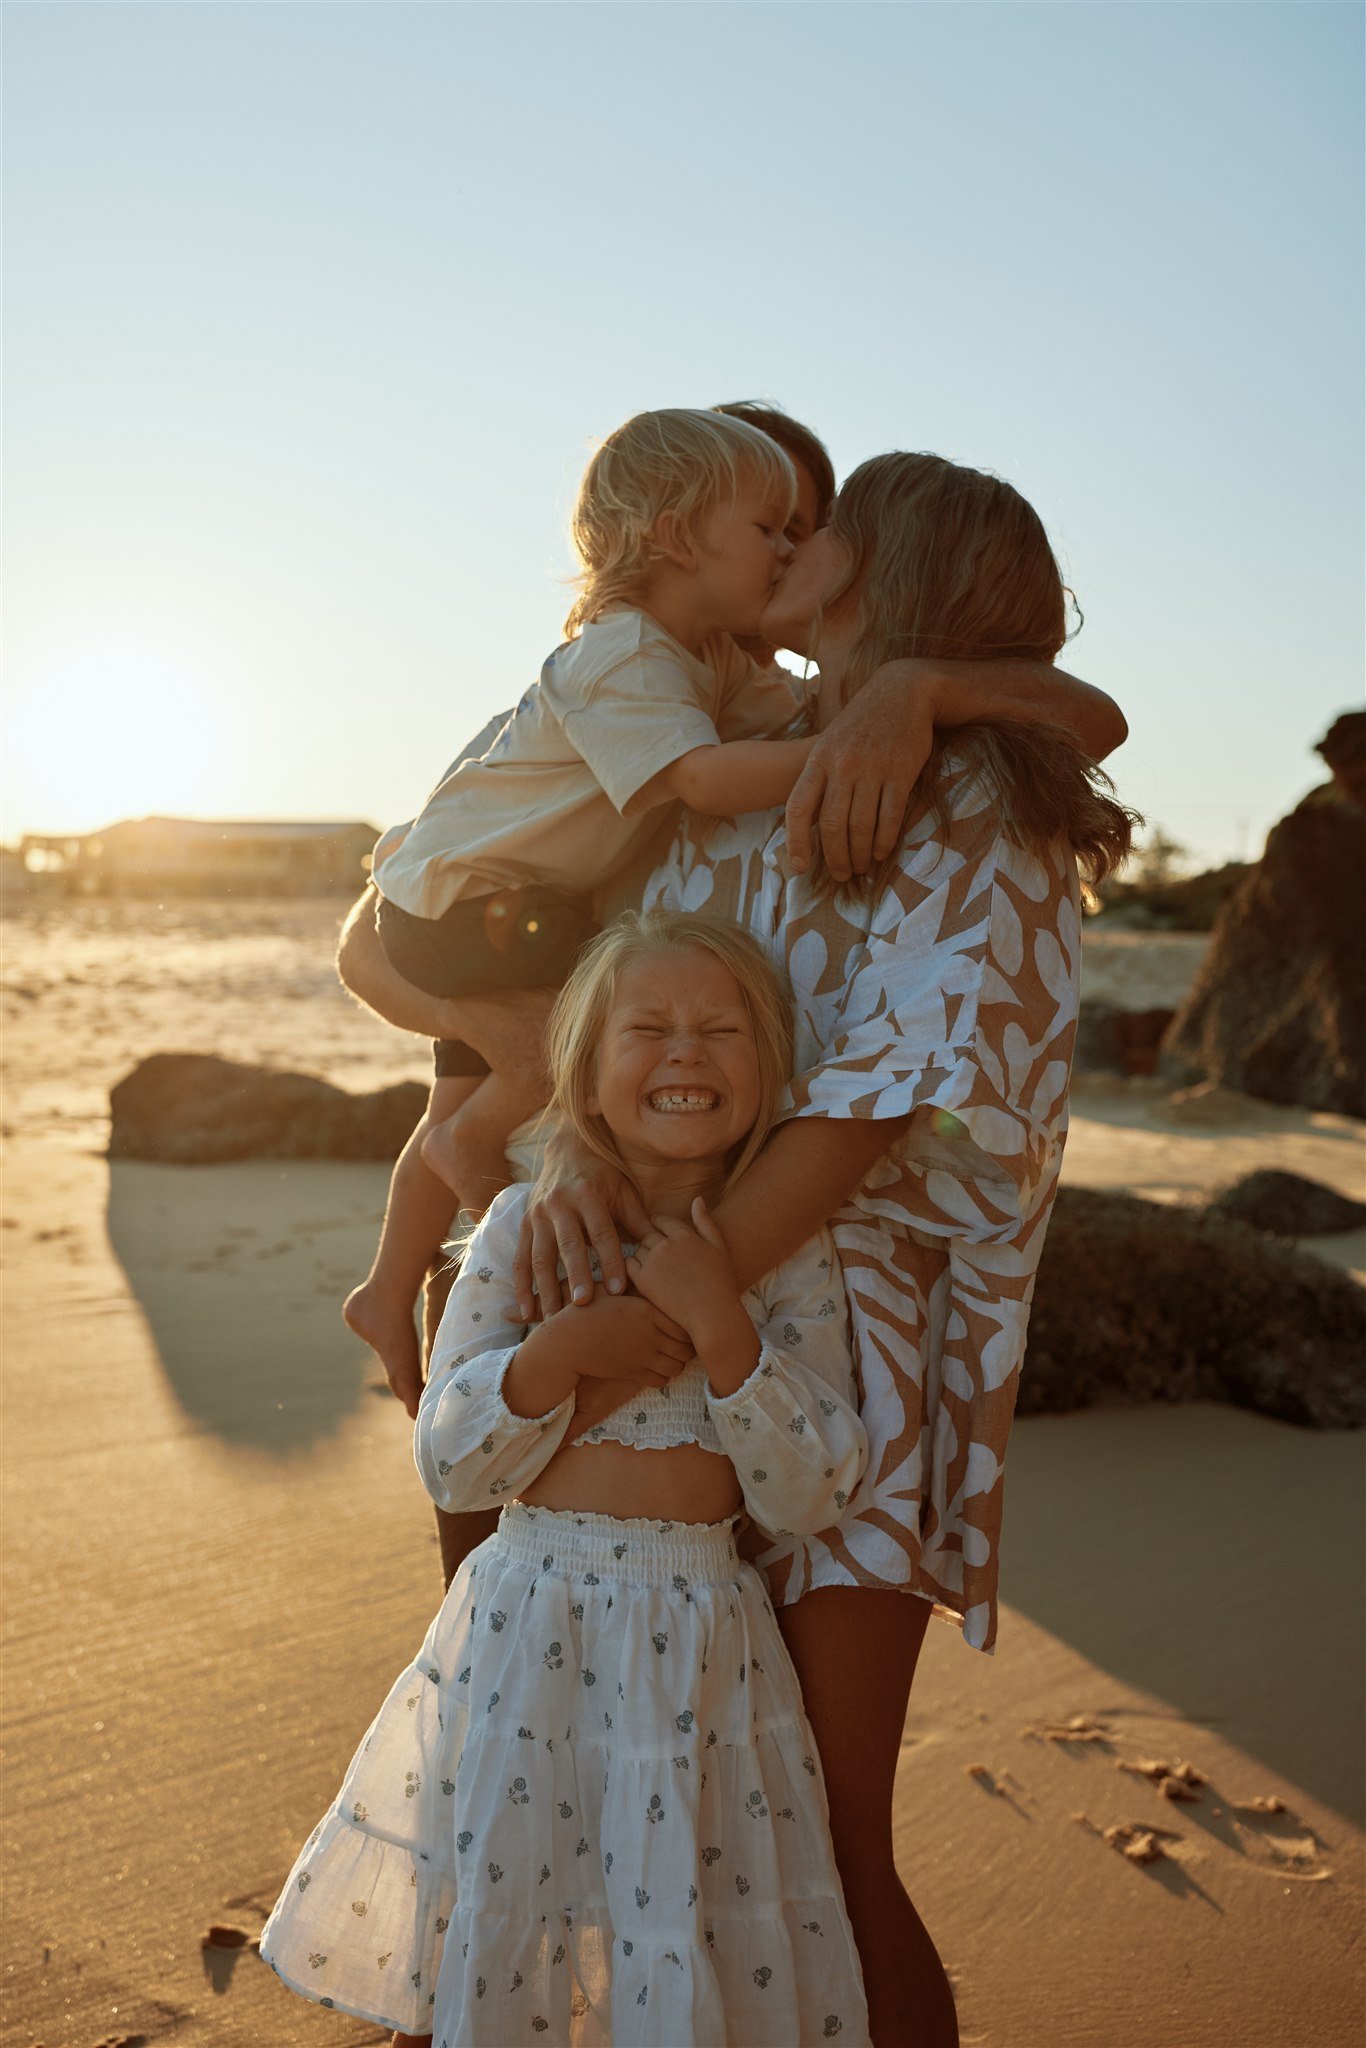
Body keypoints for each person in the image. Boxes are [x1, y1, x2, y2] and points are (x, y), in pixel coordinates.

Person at [505, 451, 1138, 2048]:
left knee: (819, 1841)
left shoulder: (976, 796)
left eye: (830, 521)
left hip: (846, 1364)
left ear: (896, 562)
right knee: (560, 1803)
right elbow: (602, 990)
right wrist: (555, 1177)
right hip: (652, 1291)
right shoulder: (751, 740)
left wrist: (657, 1311)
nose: (796, 535)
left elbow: (873, 1107)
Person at [260, 910, 875, 2047]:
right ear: (583, 1078)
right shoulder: (516, 1226)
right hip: (524, 1624)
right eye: (648, 1027)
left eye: (722, 1031)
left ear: (771, 1074)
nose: (686, 1050)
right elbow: (450, 1462)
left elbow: (810, 1494)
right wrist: (557, 1357)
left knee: (679, 1921)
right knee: (505, 1910)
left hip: (702, 1648)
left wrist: (722, 1329)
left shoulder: (791, 1255)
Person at [342, 404, 855, 1416]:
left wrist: (891, 691)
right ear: (677, 537)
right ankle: (475, 1183)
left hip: (500, 903)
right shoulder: (622, 658)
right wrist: (858, 750)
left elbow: (788, 716)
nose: (788, 553)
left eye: (803, 533)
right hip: (471, 903)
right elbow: (707, 777)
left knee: (464, 1086)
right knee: (538, 1069)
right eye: (770, 528)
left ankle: (387, 1283)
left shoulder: (703, 660)